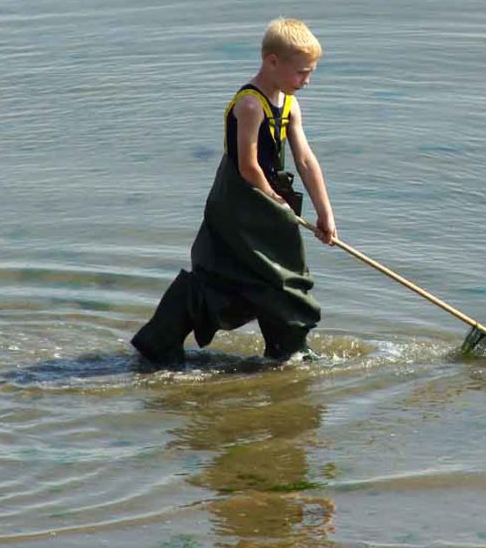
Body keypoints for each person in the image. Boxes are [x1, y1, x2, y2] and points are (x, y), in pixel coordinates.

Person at [131, 18, 337, 366]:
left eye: (310, 72)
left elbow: (304, 158)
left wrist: (325, 212)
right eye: (301, 73)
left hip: (269, 201)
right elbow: (248, 166)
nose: (307, 81)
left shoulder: (289, 105)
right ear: (272, 62)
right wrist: (278, 204)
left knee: (284, 274)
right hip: (239, 205)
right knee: (233, 276)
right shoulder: (250, 105)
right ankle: (160, 340)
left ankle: (288, 351)